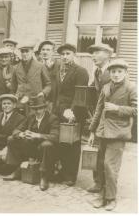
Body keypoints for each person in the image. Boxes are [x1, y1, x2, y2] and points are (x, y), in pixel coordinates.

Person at [88, 59, 136, 211]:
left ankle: (111, 199)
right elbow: (98, 109)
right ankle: (102, 196)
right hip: (102, 131)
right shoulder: (106, 87)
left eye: (119, 71)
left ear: (125, 72)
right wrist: (92, 131)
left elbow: (136, 110)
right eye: (113, 72)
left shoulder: (131, 87)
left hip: (118, 133)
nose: (116, 75)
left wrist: (117, 108)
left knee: (110, 166)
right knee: (101, 164)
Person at [3, 96, 59, 191]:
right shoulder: (31, 117)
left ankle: (44, 176)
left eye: (40, 109)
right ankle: (18, 169)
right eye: (35, 109)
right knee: (11, 139)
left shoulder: (52, 118)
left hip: (46, 151)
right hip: (31, 148)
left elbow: (55, 137)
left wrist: (37, 135)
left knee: (47, 145)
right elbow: (16, 130)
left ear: (45, 108)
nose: (37, 111)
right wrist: (22, 134)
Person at [53, 44, 89, 186]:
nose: (65, 56)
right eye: (62, 54)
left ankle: (70, 175)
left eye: (68, 53)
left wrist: (72, 111)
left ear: (74, 54)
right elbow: (57, 92)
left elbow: (80, 95)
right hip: (59, 111)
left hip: (74, 112)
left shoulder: (81, 71)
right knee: (61, 142)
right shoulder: (58, 70)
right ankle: (62, 172)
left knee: (73, 144)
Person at [87, 43, 113, 193]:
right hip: (98, 115)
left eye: (97, 52)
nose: (93, 56)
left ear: (107, 54)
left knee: (106, 154)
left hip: (109, 118)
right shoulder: (97, 72)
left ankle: (106, 185)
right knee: (97, 150)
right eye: (92, 53)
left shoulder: (112, 73)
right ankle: (98, 182)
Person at [11, 44, 51, 115]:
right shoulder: (16, 68)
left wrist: (43, 93)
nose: (24, 54)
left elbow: (48, 85)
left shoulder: (40, 66)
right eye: (22, 52)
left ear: (32, 52)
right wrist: (16, 96)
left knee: (34, 123)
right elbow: (13, 87)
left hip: (36, 101)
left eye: (27, 51)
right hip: (20, 102)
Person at [37, 40, 60, 109]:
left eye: (48, 50)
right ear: (40, 52)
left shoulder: (59, 65)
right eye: (43, 49)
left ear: (53, 52)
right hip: (39, 98)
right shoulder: (36, 65)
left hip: (53, 100)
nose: (45, 52)